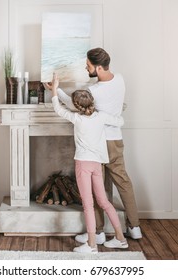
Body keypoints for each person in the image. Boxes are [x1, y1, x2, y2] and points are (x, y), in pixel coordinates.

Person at [46, 48, 142, 244]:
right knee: (123, 182)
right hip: (116, 140)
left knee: (95, 189)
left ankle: (97, 232)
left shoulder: (95, 91)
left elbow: (74, 105)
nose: (85, 67)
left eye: (88, 65)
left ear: (98, 67)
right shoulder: (120, 79)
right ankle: (134, 227)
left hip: (97, 144)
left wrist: (56, 91)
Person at [50, 73, 128, 253]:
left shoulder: (77, 119)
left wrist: (54, 90)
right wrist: (116, 110)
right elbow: (120, 121)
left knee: (88, 204)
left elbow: (59, 109)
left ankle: (92, 245)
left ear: (76, 107)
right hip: (97, 165)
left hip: (83, 164)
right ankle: (120, 238)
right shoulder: (100, 117)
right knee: (104, 202)